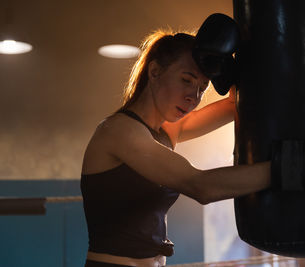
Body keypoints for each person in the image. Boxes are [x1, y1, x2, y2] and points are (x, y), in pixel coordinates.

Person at [80, 29, 271, 267]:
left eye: (202, 87)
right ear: (155, 71)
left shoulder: (167, 131)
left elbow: (237, 103)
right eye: (186, 80)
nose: (194, 96)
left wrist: (234, 69)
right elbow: (202, 186)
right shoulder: (119, 131)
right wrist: (292, 169)